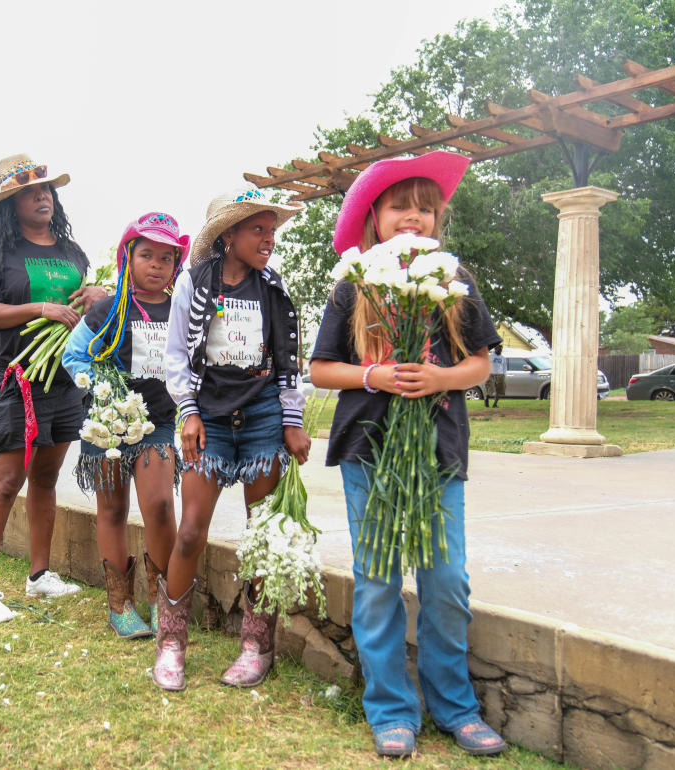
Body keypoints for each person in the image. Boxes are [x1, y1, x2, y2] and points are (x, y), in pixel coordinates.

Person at [310, 151, 507, 758]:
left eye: (426, 208)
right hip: (369, 450)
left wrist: (441, 380)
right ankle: (391, 708)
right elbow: (320, 370)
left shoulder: (456, 279)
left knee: (446, 578)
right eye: (401, 206)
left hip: (440, 449)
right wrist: (376, 376)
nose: (414, 218)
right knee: (377, 581)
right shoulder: (355, 282)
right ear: (375, 215)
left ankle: (455, 706)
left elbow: (481, 359)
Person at [158, 186, 311, 691]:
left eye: (272, 230)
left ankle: (255, 644)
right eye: (258, 230)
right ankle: (172, 643)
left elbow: (289, 359)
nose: (269, 239)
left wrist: (291, 420)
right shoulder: (193, 283)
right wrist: (188, 412)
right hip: (210, 417)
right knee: (190, 531)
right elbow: (176, 353)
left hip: (264, 416)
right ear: (229, 235)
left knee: (262, 534)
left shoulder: (274, 287)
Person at [0, 154, 106, 623]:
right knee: (6, 482)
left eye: (47, 191)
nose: (42, 197)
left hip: (66, 380)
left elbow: (83, 304)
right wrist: (40, 307)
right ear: (11, 204)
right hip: (17, 379)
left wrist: (97, 294)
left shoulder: (71, 252)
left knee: (45, 478)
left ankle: (39, 575)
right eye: (30, 191)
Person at [62, 212, 189, 639]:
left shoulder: (182, 311)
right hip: (108, 423)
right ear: (128, 259)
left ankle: (160, 599)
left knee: (159, 505)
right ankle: (120, 606)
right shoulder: (107, 309)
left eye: (166, 258)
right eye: (147, 254)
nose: (156, 264)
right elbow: (73, 356)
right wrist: (107, 389)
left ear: (176, 265)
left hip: (159, 423)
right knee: (113, 509)